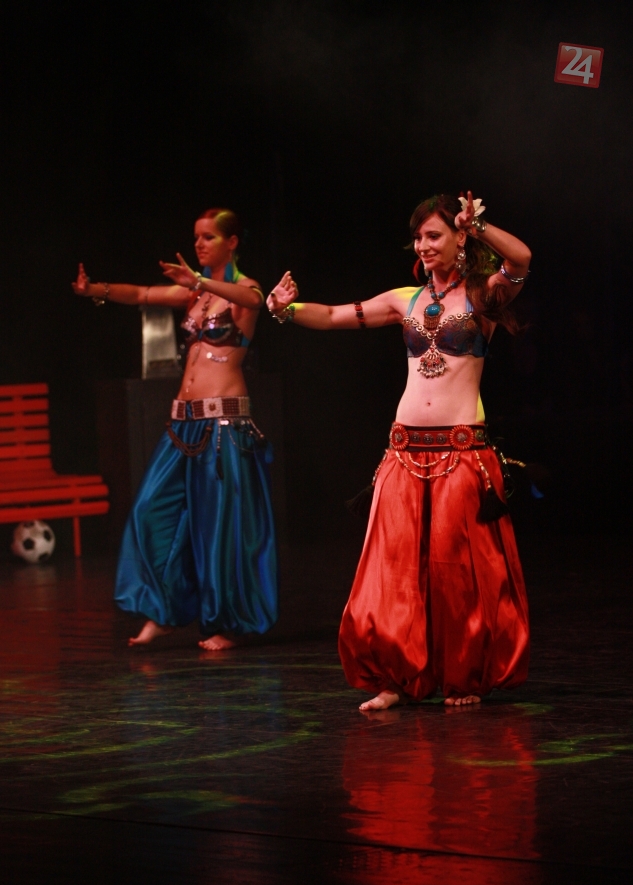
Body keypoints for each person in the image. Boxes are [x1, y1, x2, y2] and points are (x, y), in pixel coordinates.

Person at [267, 192, 530, 709]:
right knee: (394, 569)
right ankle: (395, 678)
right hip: (404, 451)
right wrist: (286, 309)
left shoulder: (484, 295)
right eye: (418, 237)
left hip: (461, 452)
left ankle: (463, 675)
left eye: (434, 235)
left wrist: (479, 225)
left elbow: (521, 260)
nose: (423, 245)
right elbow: (335, 316)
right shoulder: (404, 299)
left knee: (455, 570)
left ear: (459, 237)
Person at [72, 208, 278, 650]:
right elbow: (142, 293)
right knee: (151, 512)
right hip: (183, 426)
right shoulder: (194, 295)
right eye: (196, 237)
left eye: (209, 237)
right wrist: (96, 290)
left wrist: (200, 281)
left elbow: (256, 301)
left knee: (219, 527)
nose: (199, 244)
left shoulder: (242, 291)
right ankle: (163, 613)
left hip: (223, 424)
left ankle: (227, 622)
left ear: (232, 242)